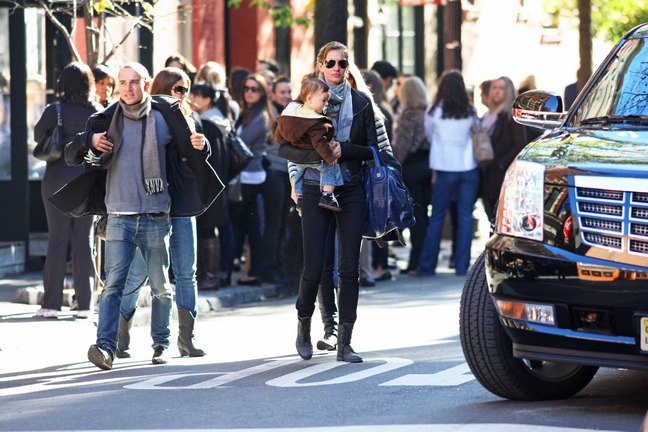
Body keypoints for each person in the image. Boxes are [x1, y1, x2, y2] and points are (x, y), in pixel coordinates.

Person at [53, 62, 220, 370]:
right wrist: (89, 141)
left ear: (146, 85)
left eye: (134, 82)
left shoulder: (166, 117)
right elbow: (72, 151)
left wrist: (203, 146)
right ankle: (107, 346)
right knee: (114, 284)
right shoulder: (106, 118)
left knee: (161, 286)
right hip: (119, 216)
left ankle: (163, 343)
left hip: (158, 215)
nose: (128, 88)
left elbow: (191, 153)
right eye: (123, 82)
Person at [279, 41, 379, 363]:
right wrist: (308, 166)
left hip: (351, 188)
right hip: (313, 188)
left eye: (343, 63)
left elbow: (372, 151)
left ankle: (345, 342)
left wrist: (343, 149)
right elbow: (285, 149)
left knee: (349, 269)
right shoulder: (302, 106)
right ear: (320, 65)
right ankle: (304, 326)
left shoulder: (362, 103)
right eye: (331, 63)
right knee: (314, 266)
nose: (337, 68)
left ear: (348, 68)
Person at [115, 67, 209, 359]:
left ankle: (186, 338)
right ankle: (121, 333)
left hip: (181, 207)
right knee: (136, 276)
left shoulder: (190, 120)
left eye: (185, 90)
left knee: (186, 274)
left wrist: (202, 146)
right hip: (152, 208)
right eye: (177, 89)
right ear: (162, 89)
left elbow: (197, 163)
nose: (182, 95)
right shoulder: (146, 118)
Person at [34, 62, 102, 319]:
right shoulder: (97, 111)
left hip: (55, 180)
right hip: (85, 181)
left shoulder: (55, 110)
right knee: (83, 242)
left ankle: (51, 304)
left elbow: (39, 134)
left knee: (57, 240)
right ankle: (85, 304)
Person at [416, 69, 481, 277]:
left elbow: (428, 135)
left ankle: (428, 266)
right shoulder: (470, 111)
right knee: (464, 218)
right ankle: (462, 266)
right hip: (468, 167)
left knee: (436, 217)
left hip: (444, 168)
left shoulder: (434, 111)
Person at [230, 73, 274, 286]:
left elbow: (240, 142)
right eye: (247, 88)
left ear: (263, 93)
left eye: (255, 89)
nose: (249, 92)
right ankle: (250, 270)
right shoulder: (244, 112)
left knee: (248, 225)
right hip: (243, 175)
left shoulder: (261, 117)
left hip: (251, 176)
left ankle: (252, 271)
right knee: (248, 224)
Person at [190, 83, 235, 289]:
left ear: (207, 99)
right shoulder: (221, 120)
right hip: (220, 183)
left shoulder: (207, 123)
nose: (192, 98)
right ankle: (212, 275)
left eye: (197, 95)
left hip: (209, 184)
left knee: (207, 229)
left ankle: (209, 276)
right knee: (211, 228)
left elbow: (211, 159)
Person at [277, 78, 342, 212]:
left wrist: (279, 139)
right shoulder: (315, 121)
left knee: (298, 176)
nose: (326, 104)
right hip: (315, 156)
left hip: (298, 158)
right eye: (324, 100)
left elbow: (280, 131)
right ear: (310, 98)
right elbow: (319, 142)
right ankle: (327, 196)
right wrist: (330, 157)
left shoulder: (290, 113)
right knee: (331, 170)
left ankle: (300, 199)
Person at [391, 75, 431, 276]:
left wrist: (392, 160)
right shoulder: (429, 114)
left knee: (416, 217)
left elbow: (403, 147)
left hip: (412, 167)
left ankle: (416, 262)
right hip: (427, 165)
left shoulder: (409, 115)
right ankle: (424, 260)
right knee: (425, 215)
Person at [480, 76, 528, 222]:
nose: (497, 92)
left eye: (501, 88)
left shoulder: (511, 116)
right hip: (487, 173)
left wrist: (502, 163)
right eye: (494, 88)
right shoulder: (487, 115)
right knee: (491, 215)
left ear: (509, 92)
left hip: (500, 175)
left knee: (499, 218)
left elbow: (519, 144)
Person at [262, 76, 293, 284]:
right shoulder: (268, 114)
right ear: (273, 94)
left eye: (289, 92)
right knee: (274, 222)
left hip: (288, 172)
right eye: (282, 92)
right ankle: (270, 268)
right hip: (273, 172)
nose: (286, 96)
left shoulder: (293, 112)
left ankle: (281, 266)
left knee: (284, 222)